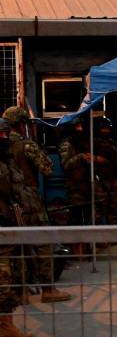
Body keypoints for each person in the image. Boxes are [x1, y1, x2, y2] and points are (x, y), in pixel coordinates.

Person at [2, 106, 71, 303]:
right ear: (22, 123)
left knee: (18, 247)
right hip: (29, 200)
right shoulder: (27, 145)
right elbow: (47, 169)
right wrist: (36, 146)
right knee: (43, 244)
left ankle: (21, 292)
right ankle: (48, 289)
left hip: (9, 203)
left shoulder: (4, 146)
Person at [0, 117, 34, 337]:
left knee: (7, 277)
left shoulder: (5, 159)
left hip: (7, 223)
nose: (5, 139)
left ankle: (6, 325)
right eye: (2, 135)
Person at [93, 117, 117, 226]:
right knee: (99, 209)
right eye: (104, 128)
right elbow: (93, 160)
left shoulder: (111, 142)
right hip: (100, 180)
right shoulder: (92, 143)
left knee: (113, 208)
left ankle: (113, 236)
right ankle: (100, 239)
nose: (106, 131)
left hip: (113, 179)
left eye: (108, 128)